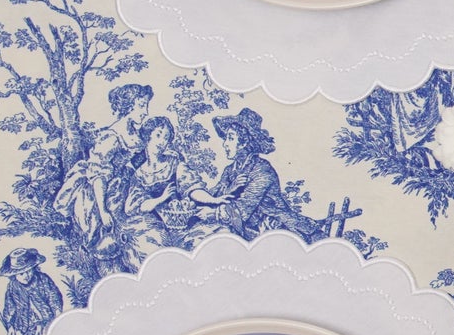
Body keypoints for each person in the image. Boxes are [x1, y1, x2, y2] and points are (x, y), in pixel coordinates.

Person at [52, 82, 153, 249]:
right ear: (128, 107)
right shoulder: (112, 137)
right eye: (141, 106)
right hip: (103, 192)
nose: (146, 112)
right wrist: (103, 210)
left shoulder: (135, 133)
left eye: (146, 106)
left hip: (126, 185)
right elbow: (98, 175)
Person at [190, 108, 314, 239]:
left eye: (230, 138)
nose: (225, 144)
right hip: (247, 229)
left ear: (244, 142)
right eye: (225, 138)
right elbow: (214, 195)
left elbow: (243, 208)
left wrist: (213, 214)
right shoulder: (230, 170)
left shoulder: (262, 169)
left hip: (276, 228)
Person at [120, 115, 194, 263]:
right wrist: (161, 198)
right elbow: (131, 206)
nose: (162, 141)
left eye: (166, 138)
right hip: (149, 218)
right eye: (158, 135)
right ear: (148, 136)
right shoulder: (138, 168)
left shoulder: (173, 161)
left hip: (175, 216)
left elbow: (186, 185)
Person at [0, 247, 63, 335]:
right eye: (21, 274)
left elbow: (54, 298)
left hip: (44, 322)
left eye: (28, 271)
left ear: (34, 268)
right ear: (14, 275)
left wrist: (58, 318)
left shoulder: (43, 280)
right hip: (23, 327)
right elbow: (9, 307)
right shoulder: (13, 287)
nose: (26, 276)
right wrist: (10, 326)